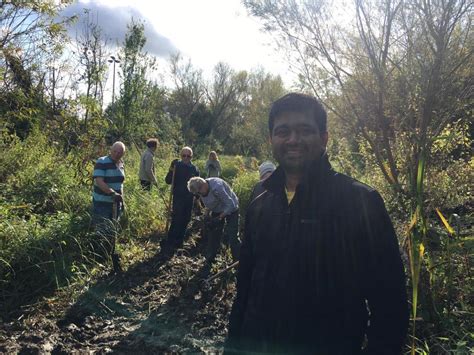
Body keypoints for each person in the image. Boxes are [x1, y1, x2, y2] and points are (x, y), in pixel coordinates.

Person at [225, 93, 408, 354]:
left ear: (324, 138)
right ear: (271, 139)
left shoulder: (360, 202)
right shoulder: (260, 197)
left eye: (305, 130)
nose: (293, 140)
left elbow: (390, 303)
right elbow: (246, 284)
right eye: (283, 131)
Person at [92, 141, 126, 273]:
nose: (117, 154)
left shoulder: (121, 164)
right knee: (102, 230)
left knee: (113, 229)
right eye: (115, 151)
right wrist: (112, 193)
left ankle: (111, 254)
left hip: (116, 202)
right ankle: (100, 259)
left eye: (120, 152)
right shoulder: (102, 161)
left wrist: (121, 197)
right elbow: (99, 181)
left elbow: (120, 182)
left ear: (123, 154)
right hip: (102, 202)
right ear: (110, 149)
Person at [187, 177, 240, 262]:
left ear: (203, 185)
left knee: (232, 235)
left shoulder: (217, 187)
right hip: (217, 209)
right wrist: (206, 216)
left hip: (231, 209)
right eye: (197, 193)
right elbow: (208, 205)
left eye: (199, 192)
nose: (199, 194)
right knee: (214, 235)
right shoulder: (201, 191)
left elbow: (231, 205)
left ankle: (237, 260)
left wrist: (219, 218)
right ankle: (210, 258)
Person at [164, 146, 200, 247]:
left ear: (191, 157)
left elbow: (198, 185)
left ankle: (179, 241)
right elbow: (168, 181)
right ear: (181, 156)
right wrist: (171, 169)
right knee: (176, 219)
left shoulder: (194, 169)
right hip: (178, 198)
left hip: (189, 199)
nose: (185, 158)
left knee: (186, 220)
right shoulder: (176, 166)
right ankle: (170, 240)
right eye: (184, 155)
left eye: (188, 156)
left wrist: (197, 199)